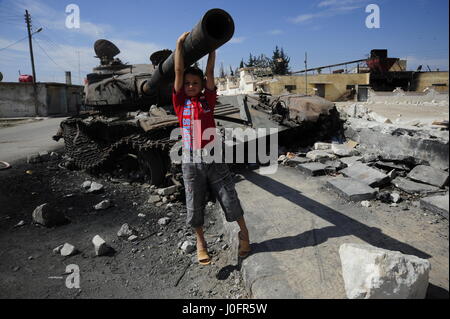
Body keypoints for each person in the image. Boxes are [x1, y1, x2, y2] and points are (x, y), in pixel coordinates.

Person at [172, 31, 250, 265]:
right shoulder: (180, 102)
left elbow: (209, 72)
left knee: (229, 197)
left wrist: (212, 47)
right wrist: (179, 46)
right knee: (194, 202)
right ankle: (201, 243)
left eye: (195, 83)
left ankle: (244, 234)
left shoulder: (209, 99)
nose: (192, 86)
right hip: (191, 160)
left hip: (214, 157)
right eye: (188, 83)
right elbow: (178, 71)